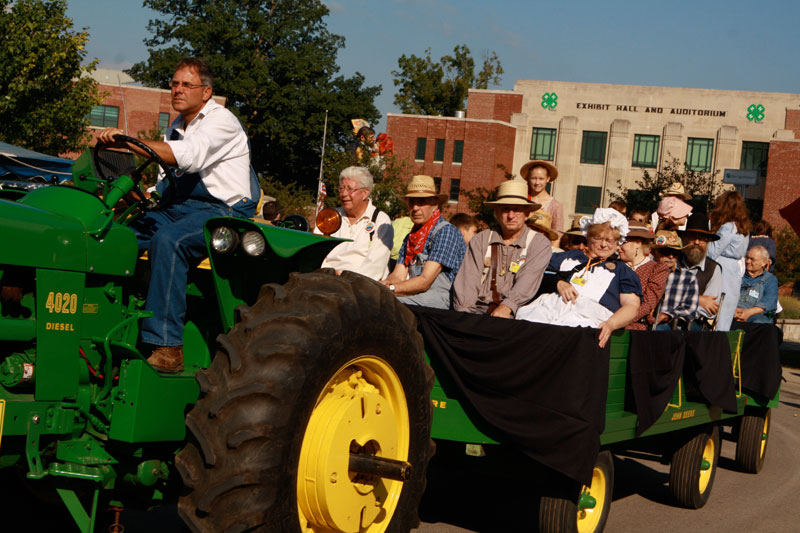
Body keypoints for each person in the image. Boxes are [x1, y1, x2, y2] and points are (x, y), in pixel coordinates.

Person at [97, 57, 258, 372]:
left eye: (187, 84)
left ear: (206, 92)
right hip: (179, 206)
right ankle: (104, 317)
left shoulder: (220, 121)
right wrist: (139, 198)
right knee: (116, 234)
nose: (178, 90)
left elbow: (191, 158)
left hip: (222, 209)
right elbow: (163, 185)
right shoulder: (175, 127)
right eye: (174, 83)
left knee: (169, 241)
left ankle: (167, 345)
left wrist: (130, 144)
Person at [516, 208, 641, 348]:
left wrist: (611, 324)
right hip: (549, 310)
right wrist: (556, 282)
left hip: (588, 321)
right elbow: (529, 270)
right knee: (528, 323)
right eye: (598, 238)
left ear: (618, 242)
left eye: (610, 240)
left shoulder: (622, 271)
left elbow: (631, 307)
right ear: (588, 237)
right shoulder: (567, 257)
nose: (604, 244)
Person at [453, 180, 551, 317]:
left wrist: (508, 306)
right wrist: (466, 318)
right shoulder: (481, 240)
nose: (511, 216)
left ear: (527, 213)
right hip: (476, 311)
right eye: (505, 209)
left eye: (516, 209)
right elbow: (467, 282)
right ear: (497, 213)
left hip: (515, 314)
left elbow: (527, 282)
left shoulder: (539, 244)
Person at [380, 175, 466, 309]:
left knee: (388, 305)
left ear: (434, 204)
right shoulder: (410, 237)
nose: (415, 208)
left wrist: (390, 289)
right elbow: (398, 275)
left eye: (421, 202)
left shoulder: (446, 232)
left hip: (441, 301)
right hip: (417, 296)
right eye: (411, 202)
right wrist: (380, 286)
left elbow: (425, 281)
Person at [314, 166, 392, 280]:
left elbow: (375, 266)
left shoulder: (380, 220)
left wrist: (345, 279)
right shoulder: (329, 217)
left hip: (360, 285)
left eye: (349, 189)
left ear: (365, 193)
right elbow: (316, 254)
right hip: (325, 279)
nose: (344, 194)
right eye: (341, 188)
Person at [707, 190, 751, 331]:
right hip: (734, 270)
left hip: (723, 268)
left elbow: (713, 251)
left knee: (719, 308)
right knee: (727, 310)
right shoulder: (743, 228)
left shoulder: (728, 227)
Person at [617, 222, 670, 330]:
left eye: (622, 242)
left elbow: (648, 304)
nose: (618, 247)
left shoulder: (657, 269)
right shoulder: (613, 265)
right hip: (602, 321)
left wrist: (617, 320)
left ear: (638, 243)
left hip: (635, 327)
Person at [677, 212, 723, 329]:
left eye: (702, 238)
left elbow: (709, 309)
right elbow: (662, 295)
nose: (697, 242)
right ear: (685, 239)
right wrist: (698, 299)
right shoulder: (673, 262)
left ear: (707, 242)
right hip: (666, 321)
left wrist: (677, 306)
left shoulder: (714, 269)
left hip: (694, 324)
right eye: (693, 237)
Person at [650, 230, 700, 330]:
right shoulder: (645, 272)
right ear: (654, 252)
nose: (671, 256)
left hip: (671, 326)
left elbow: (690, 308)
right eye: (666, 252)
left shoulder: (688, 278)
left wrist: (666, 315)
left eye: (675, 252)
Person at [520, 160, 563, 244]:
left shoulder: (555, 206)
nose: (537, 182)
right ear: (528, 178)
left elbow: (557, 237)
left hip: (542, 250)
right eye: (533, 178)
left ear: (548, 179)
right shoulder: (522, 200)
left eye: (541, 179)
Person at [734, 245, 779, 324]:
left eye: (752, 259)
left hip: (755, 317)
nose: (748, 261)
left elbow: (769, 302)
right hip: (734, 313)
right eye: (747, 258)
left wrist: (747, 313)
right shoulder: (738, 275)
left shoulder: (770, 280)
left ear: (764, 262)